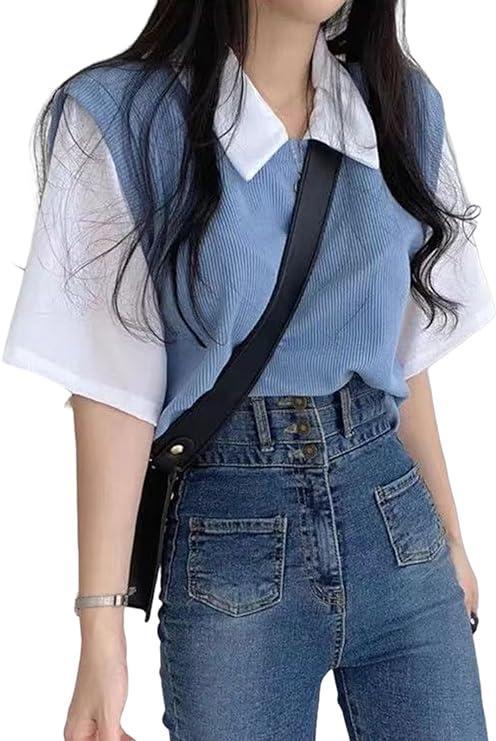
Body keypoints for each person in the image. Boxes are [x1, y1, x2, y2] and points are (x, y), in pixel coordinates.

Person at [3, 1, 495, 739]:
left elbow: (401, 360)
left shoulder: (399, 106)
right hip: (234, 535)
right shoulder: (125, 120)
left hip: (396, 524)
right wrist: (100, 629)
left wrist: (451, 537)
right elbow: (112, 389)